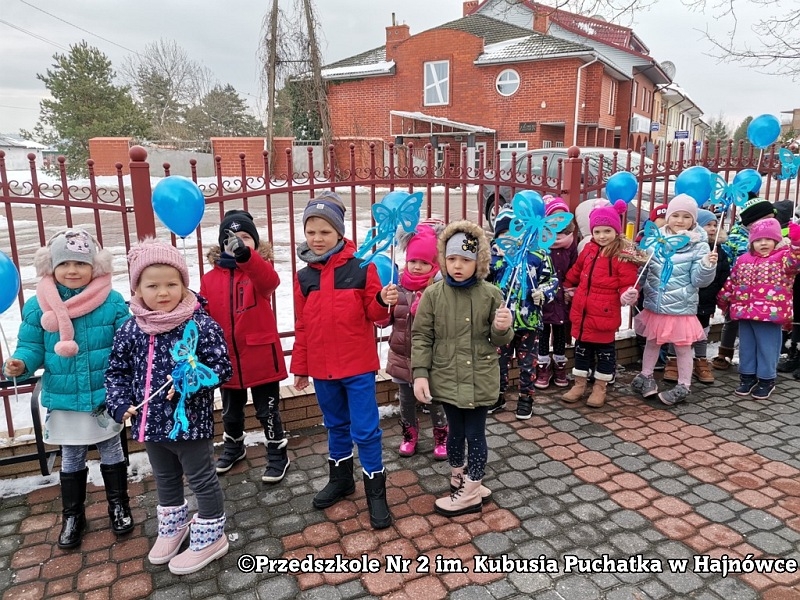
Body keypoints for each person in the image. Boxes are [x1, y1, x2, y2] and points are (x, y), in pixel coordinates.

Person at [105, 239, 233, 575]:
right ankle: (174, 526)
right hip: (149, 423)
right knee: (165, 478)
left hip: (188, 422)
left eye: (172, 284)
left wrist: (192, 377)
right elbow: (116, 372)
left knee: (201, 478)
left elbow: (222, 368)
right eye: (153, 285)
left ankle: (211, 533)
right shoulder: (130, 330)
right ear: (137, 288)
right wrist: (120, 405)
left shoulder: (199, 325)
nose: (163, 293)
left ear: (184, 284)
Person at [2, 229, 132, 550]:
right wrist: (21, 362)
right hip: (64, 397)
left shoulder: (111, 302)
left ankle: (118, 505)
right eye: (65, 263)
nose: (72, 270)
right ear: (52, 267)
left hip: (103, 395)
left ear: (94, 267)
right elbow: (31, 345)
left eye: (80, 263)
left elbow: (128, 342)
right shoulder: (37, 306)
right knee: (71, 456)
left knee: (111, 450)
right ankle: (73, 514)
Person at [291, 192, 398, 530]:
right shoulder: (303, 277)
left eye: (325, 231)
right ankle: (341, 480)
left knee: (365, 430)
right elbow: (302, 325)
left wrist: (381, 300)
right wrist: (301, 368)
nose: (318, 239)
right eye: (312, 232)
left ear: (339, 232)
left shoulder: (361, 268)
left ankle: (375, 492)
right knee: (335, 426)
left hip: (357, 368)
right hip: (323, 371)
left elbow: (375, 315)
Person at [412, 220, 513, 516]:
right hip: (447, 376)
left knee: (476, 433)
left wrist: (503, 328)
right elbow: (422, 335)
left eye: (466, 260)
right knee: (455, 431)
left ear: (478, 262)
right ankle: (459, 478)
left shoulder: (491, 295)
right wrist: (420, 373)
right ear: (443, 258)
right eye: (452, 258)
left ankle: (472, 489)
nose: (458, 265)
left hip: (480, 377)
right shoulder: (433, 294)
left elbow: (498, 339)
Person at [200, 210, 290, 482]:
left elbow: (270, 282)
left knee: (267, 409)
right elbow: (204, 314)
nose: (239, 242)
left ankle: (277, 453)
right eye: (233, 238)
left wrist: (246, 257)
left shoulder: (260, 269)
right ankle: (234, 445)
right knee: (230, 410)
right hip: (227, 356)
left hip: (260, 354)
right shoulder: (210, 277)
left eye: (246, 238)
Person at [631, 194, 718, 405]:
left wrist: (707, 265)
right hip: (655, 305)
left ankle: (684, 385)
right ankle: (645, 375)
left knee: (682, 348)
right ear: (668, 217)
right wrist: (634, 288)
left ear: (694, 220)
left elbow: (699, 281)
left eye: (686, 217)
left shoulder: (699, 245)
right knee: (651, 343)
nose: (680, 221)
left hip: (681, 308)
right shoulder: (654, 240)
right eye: (675, 215)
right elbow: (644, 270)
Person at [561, 201, 643, 408]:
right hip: (583, 312)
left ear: (616, 230)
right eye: (597, 231)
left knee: (605, 354)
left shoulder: (622, 255)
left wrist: (627, 295)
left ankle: (600, 387)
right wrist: (567, 284)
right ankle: (579, 384)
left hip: (605, 314)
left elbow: (627, 282)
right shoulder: (588, 249)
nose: (602, 236)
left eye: (607, 230)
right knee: (581, 351)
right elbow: (577, 270)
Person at [381, 223, 449, 458]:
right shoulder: (396, 286)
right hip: (401, 356)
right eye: (413, 261)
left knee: (434, 400)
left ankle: (442, 435)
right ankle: (409, 434)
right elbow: (382, 322)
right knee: (406, 402)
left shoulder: (439, 289)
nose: (418, 267)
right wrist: (383, 303)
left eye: (425, 263)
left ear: (435, 264)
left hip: (430, 360)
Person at [717, 218, 800, 399]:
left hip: (771, 315)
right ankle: (747, 376)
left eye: (768, 239)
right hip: (745, 312)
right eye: (758, 240)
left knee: (767, 348)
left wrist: (796, 244)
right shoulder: (743, 259)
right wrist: (723, 298)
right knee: (747, 347)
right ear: (751, 242)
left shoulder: (784, 258)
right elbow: (732, 281)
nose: (763, 243)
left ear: (777, 240)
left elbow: (796, 264)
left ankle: (766, 379)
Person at [488, 205, 557, 419]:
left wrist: (543, 293)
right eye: (503, 234)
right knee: (498, 361)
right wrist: (493, 262)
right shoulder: (493, 258)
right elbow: (484, 280)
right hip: (501, 322)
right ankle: (497, 395)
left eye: (513, 233)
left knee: (528, 363)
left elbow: (552, 279)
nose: (509, 238)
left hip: (530, 321)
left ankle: (526, 397)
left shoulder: (538, 255)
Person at [711, 195, 776, 369]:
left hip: (763, 292)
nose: (771, 222)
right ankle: (725, 353)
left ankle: (753, 357)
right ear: (751, 221)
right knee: (731, 320)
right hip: (740, 289)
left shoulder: (772, 240)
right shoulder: (736, 238)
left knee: (755, 325)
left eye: (772, 218)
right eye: (766, 219)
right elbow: (727, 263)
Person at [536, 196, 578, 389]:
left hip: (563, 296)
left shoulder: (570, 244)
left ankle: (560, 366)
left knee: (560, 331)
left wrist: (570, 288)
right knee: (543, 330)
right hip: (545, 294)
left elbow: (575, 268)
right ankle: (543, 367)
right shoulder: (541, 243)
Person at [687, 209, 731, 384]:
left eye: (715, 225)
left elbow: (723, 275)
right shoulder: (691, 248)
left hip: (706, 300)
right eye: (708, 225)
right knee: (681, 333)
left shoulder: (720, 252)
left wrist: (714, 294)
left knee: (702, 332)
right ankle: (674, 361)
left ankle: (700, 361)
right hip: (688, 298)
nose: (712, 228)